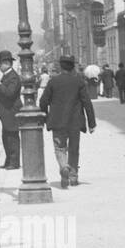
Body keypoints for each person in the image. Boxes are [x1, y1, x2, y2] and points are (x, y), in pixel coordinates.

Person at [39, 55, 96, 188]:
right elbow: (87, 102)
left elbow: (43, 101)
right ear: (73, 66)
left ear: (60, 65)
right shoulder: (79, 81)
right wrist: (91, 123)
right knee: (74, 149)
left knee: (60, 148)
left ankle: (64, 167)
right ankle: (74, 177)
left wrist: (45, 117)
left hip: (58, 122)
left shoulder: (54, 81)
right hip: (75, 122)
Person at [0, 50, 22, 168]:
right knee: (6, 137)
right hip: (7, 112)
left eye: (0, 63)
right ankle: (9, 160)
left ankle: (14, 162)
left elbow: (10, 93)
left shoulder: (13, 77)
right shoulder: (7, 76)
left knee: (12, 137)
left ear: (7, 63)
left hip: (11, 111)